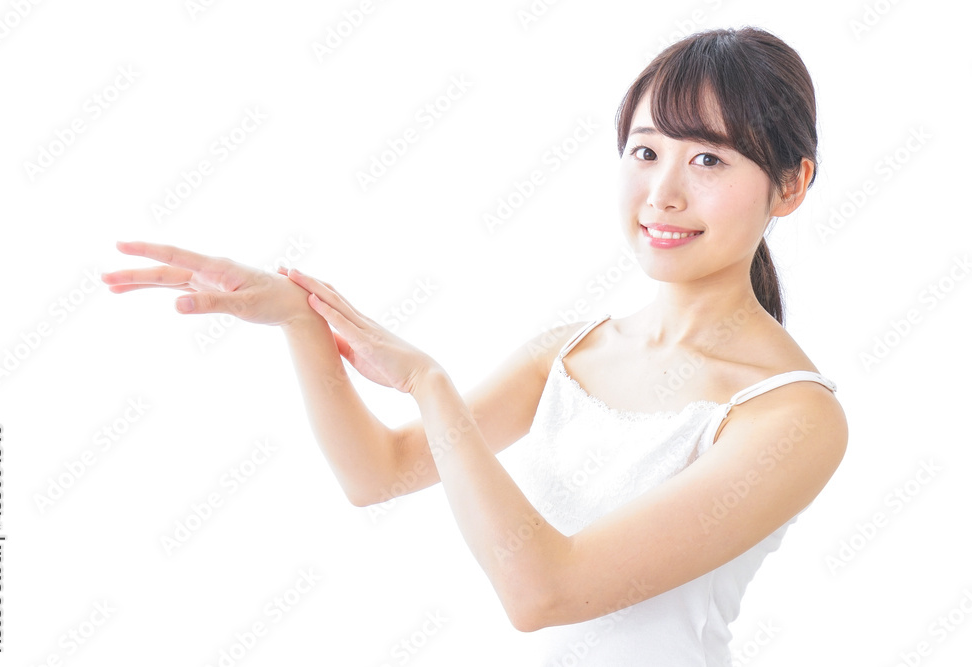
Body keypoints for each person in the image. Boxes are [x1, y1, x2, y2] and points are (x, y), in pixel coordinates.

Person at [101, 25, 847, 666]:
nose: (662, 194)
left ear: (791, 186)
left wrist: (429, 384)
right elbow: (377, 472)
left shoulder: (793, 416)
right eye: (646, 152)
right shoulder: (571, 353)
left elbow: (543, 591)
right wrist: (302, 322)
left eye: (708, 160)